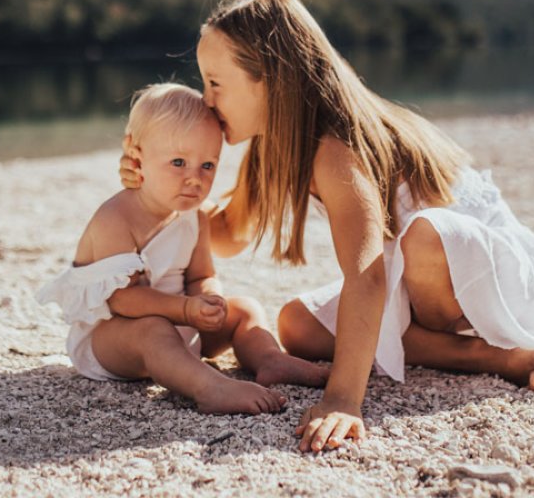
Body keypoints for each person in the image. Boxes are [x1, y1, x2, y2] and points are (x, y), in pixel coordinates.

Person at [119, 0, 534, 451]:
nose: (206, 101)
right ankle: (487, 356)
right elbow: (227, 234)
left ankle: (500, 343)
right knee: (295, 323)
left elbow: (367, 277)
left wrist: (343, 398)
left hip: (494, 277)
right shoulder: (275, 143)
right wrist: (152, 191)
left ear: (271, 78)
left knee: (422, 236)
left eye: (215, 83)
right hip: (416, 286)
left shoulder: (337, 147)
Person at [38, 82, 328, 415]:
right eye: (178, 162)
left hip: (181, 321)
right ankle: (209, 387)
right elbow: (123, 299)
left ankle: (270, 359)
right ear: (136, 156)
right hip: (116, 338)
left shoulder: (196, 216)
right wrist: (187, 310)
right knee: (153, 331)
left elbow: (201, 274)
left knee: (245, 308)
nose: (195, 179)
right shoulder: (116, 219)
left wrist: (209, 299)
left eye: (207, 166)